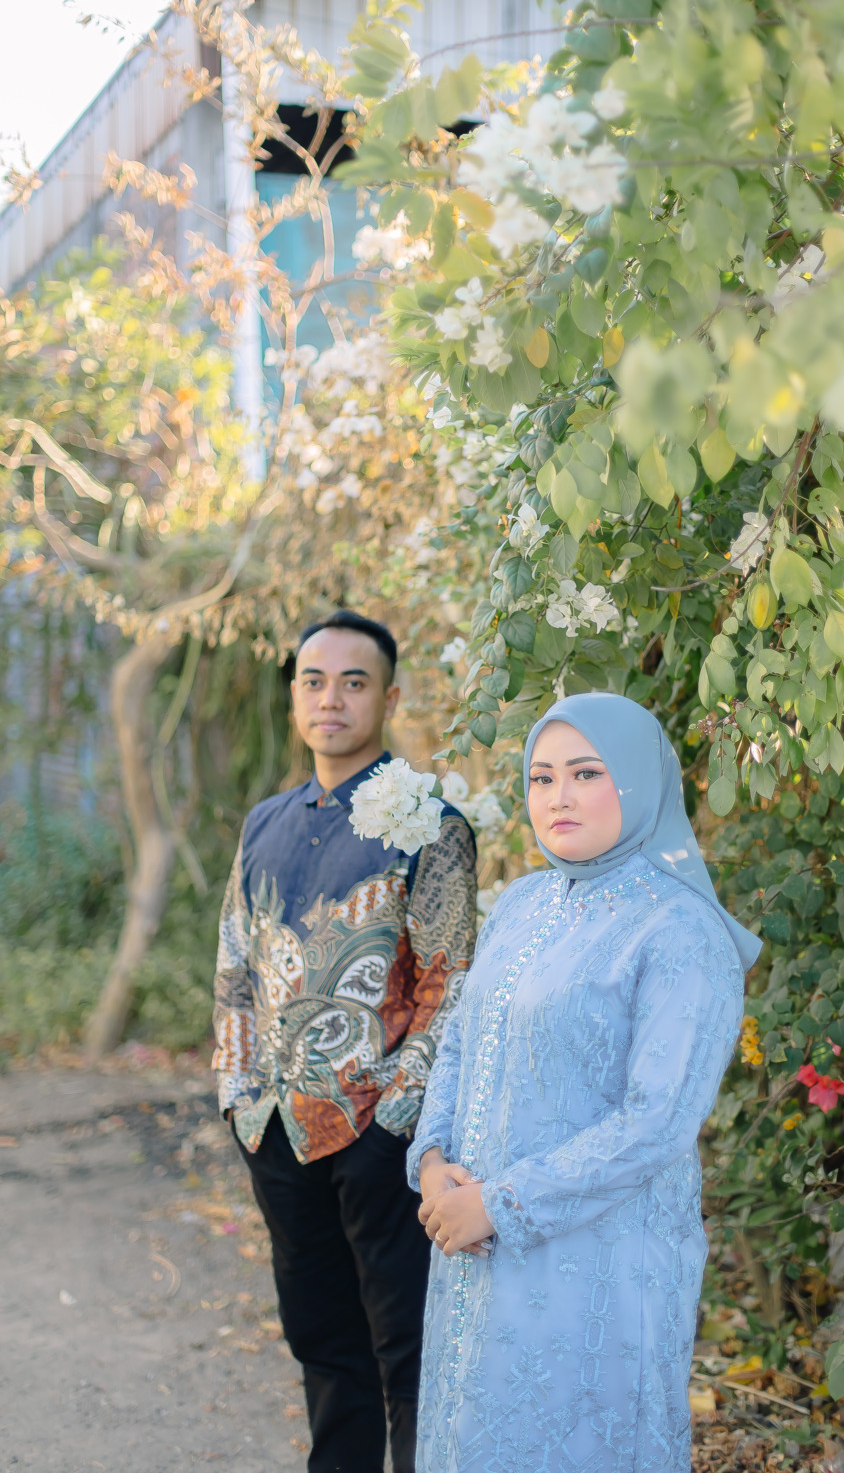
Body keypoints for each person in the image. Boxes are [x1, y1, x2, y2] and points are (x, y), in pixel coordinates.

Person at [408, 691, 761, 1473]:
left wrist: (498, 1204)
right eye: (541, 778)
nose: (558, 797)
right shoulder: (523, 903)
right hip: (471, 1245)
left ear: (637, 780)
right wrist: (432, 1162)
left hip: (601, 1263)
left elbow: (657, 1123)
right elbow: (460, 1038)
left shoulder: (681, 930)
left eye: (585, 773)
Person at [212, 609, 477, 1473]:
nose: (331, 699)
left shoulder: (429, 824)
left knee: (407, 1350)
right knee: (323, 1343)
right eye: (314, 681)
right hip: (277, 1132)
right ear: (294, 694)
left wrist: (393, 1122)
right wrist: (239, 1097)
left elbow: (449, 983)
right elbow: (235, 965)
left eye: (354, 683)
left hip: (379, 1137)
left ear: (389, 699)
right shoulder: (265, 823)